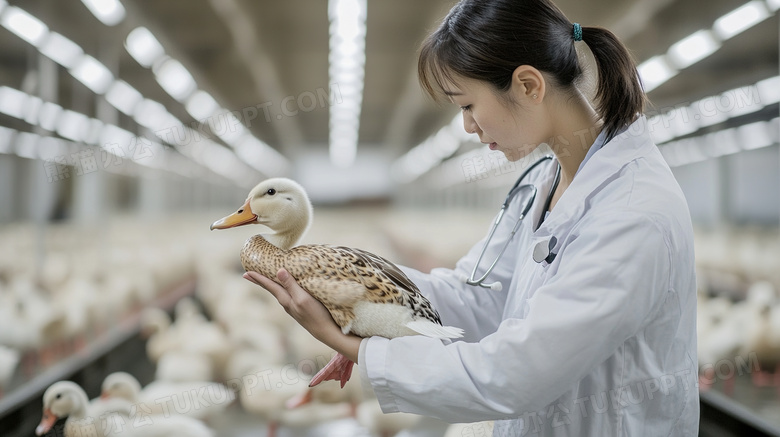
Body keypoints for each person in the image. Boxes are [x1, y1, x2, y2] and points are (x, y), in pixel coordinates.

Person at [244, 0, 699, 435]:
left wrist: (360, 349)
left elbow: (517, 374)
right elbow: (480, 299)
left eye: (466, 104)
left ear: (528, 85)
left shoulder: (633, 210)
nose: (467, 125)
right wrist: (354, 285)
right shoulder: (542, 183)